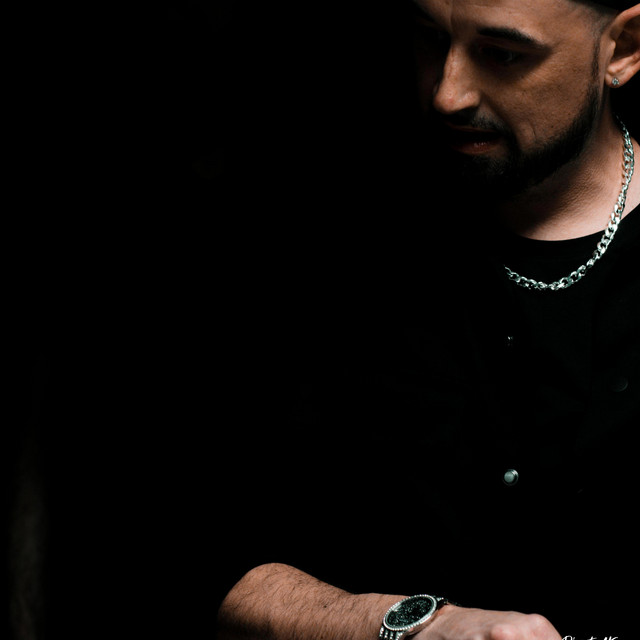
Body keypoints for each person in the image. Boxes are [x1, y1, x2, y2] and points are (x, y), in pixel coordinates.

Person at [215, 0, 640, 638]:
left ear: (624, 48)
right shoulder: (316, 242)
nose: (447, 93)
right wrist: (411, 628)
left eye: (502, 54)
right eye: (429, 38)